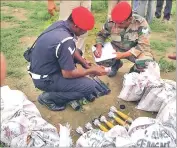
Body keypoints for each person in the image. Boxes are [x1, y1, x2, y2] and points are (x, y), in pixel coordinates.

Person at [28, 7, 107, 111]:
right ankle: (48, 98)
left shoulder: (61, 25)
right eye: (84, 30)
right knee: (89, 87)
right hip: (45, 79)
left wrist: (83, 62)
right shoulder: (66, 40)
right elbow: (68, 74)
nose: (85, 32)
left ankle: (64, 84)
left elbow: (70, 49)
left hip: (41, 68)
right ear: (76, 26)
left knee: (78, 52)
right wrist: (91, 70)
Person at [0, 53, 72, 147]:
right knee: (87, 87)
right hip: (44, 80)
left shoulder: (13, 97)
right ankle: (47, 99)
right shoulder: (14, 98)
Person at [95, 2, 153, 77]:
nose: (117, 25)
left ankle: (133, 73)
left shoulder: (141, 23)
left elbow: (143, 46)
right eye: (115, 22)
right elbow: (101, 35)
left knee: (146, 63)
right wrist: (98, 47)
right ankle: (116, 64)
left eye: (121, 23)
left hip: (135, 51)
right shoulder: (112, 21)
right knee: (100, 57)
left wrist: (123, 55)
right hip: (117, 49)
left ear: (130, 19)